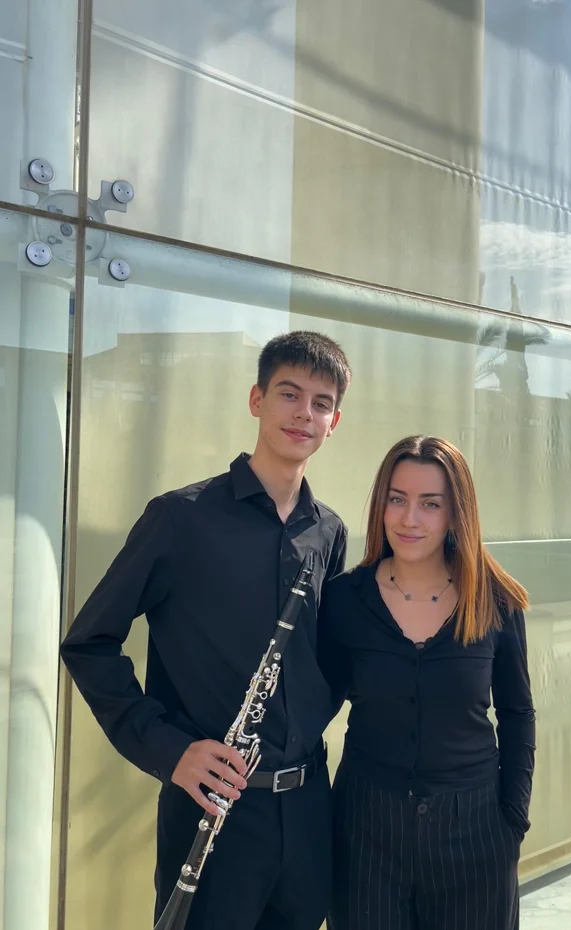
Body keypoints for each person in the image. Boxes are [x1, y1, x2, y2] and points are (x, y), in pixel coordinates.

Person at [60, 330, 352, 930]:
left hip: (306, 810)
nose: (304, 413)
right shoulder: (180, 518)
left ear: (334, 422)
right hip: (212, 809)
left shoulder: (329, 532)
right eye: (289, 394)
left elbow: (325, 656)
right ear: (256, 399)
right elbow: (90, 644)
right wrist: (170, 751)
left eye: (321, 403)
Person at [319, 435, 535, 930]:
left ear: (456, 514)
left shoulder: (495, 602)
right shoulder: (345, 600)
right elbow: (309, 709)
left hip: (476, 833)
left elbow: (518, 713)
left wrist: (512, 821)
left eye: (430, 504)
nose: (409, 519)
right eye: (397, 499)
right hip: (365, 833)